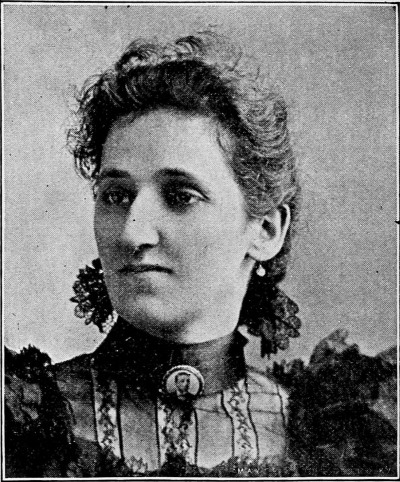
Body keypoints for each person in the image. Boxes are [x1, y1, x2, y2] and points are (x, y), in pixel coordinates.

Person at [5, 32, 397, 478]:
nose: (132, 232)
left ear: (266, 230)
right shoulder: (22, 423)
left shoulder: (331, 435)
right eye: (115, 196)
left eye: (180, 196)